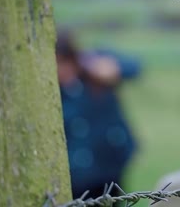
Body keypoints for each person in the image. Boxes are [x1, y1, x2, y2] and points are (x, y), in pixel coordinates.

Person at [56, 30, 140, 199]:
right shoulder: (53, 91)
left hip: (110, 163)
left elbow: (135, 67)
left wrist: (110, 68)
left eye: (62, 62)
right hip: (76, 173)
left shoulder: (93, 70)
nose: (60, 70)